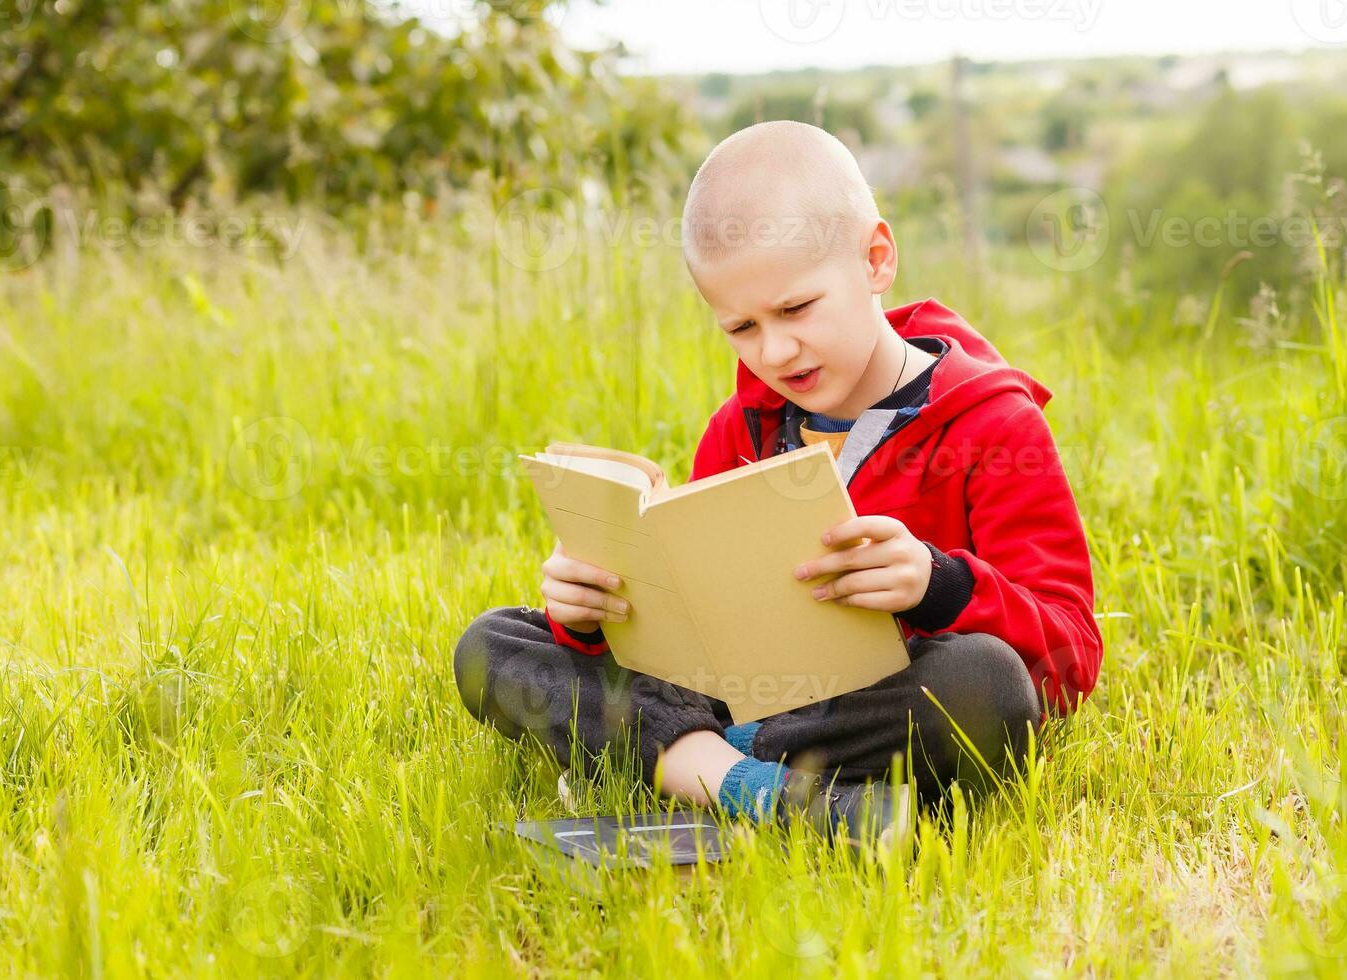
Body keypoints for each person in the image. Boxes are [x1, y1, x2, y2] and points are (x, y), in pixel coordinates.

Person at [455, 120, 1102, 845]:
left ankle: (687, 768)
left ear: (875, 259)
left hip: (875, 697)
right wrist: (588, 620)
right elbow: (692, 641)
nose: (776, 350)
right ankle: (781, 795)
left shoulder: (993, 425)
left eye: (795, 309)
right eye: (741, 328)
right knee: (490, 646)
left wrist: (940, 584)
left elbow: (1069, 655)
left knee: (985, 686)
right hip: (732, 697)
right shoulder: (740, 427)